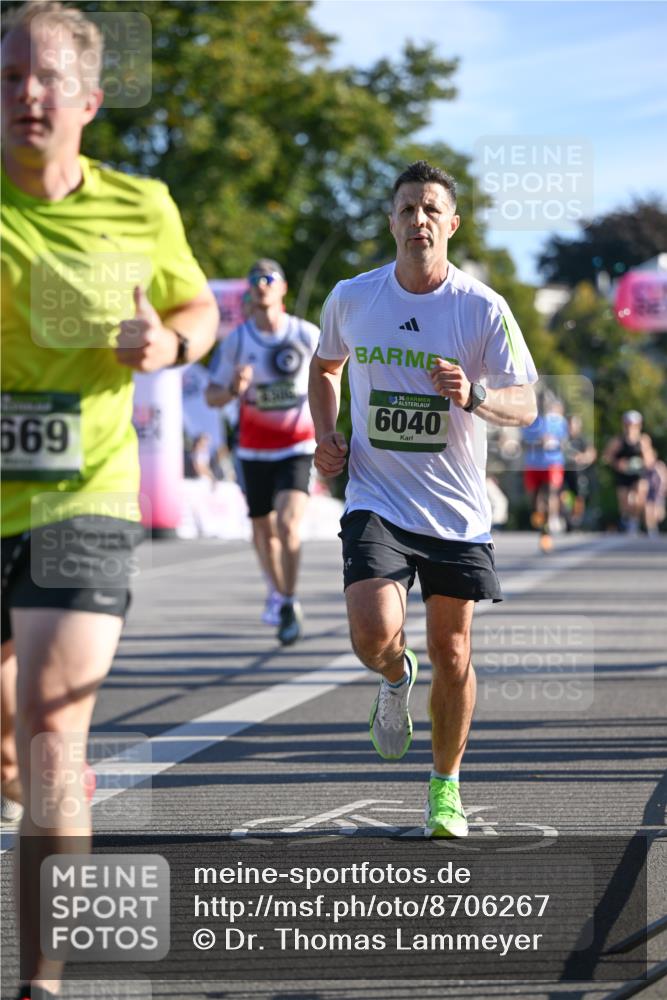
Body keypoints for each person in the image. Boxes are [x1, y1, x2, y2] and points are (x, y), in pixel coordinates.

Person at [0, 4, 219, 997]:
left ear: (88, 99)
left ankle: (43, 983)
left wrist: (169, 345)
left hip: (79, 492)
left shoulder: (141, 205)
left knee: (53, 732)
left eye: (44, 78)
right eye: (8, 76)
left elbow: (196, 305)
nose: (24, 94)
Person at [309, 160, 537, 838]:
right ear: (390, 221)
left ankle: (444, 788)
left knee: (455, 651)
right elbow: (325, 367)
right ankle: (392, 672)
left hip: (455, 509)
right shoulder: (354, 297)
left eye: (431, 209)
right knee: (371, 633)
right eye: (406, 208)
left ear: (451, 224)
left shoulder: (480, 308)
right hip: (376, 497)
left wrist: (475, 394)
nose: (418, 221)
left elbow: (525, 402)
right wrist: (327, 434)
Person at [206, 260, 319, 644]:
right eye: (254, 280)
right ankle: (278, 591)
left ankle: (287, 599)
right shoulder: (237, 342)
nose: (261, 285)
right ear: (249, 293)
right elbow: (211, 395)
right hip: (253, 450)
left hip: (297, 445)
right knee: (262, 530)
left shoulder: (306, 334)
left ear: (282, 288)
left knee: (288, 526)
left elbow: (333, 374)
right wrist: (234, 389)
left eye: (268, 279)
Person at [521, 394, 569, 552]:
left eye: (547, 403)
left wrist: (553, 441)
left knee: (550, 494)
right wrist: (538, 442)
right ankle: (541, 524)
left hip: (552, 463)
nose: (544, 406)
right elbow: (523, 442)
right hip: (534, 464)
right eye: (541, 403)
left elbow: (565, 442)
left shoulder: (558, 422)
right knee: (535, 502)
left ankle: (546, 531)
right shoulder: (529, 420)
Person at [602, 411, 654, 533]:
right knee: (624, 502)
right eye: (628, 424)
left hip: (638, 474)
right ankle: (627, 519)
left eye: (634, 424)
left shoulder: (643, 440)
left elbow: (650, 461)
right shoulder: (618, 441)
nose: (631, 427)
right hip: (623, 475)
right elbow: (606, 457)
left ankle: (635, 521)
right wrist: (618, 463)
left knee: (640, 497)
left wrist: (643, 458)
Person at [562, 414, 597, 530]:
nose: (571, 427)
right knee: (564, 496)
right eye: (569, 425)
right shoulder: (564, 439)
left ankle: (577, 519)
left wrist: (581, 457)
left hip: (579, 473)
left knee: (579, 496)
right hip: (565, 472)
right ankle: (567, 517)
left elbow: (591, 454)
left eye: (573, 425)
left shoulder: (583, 440)